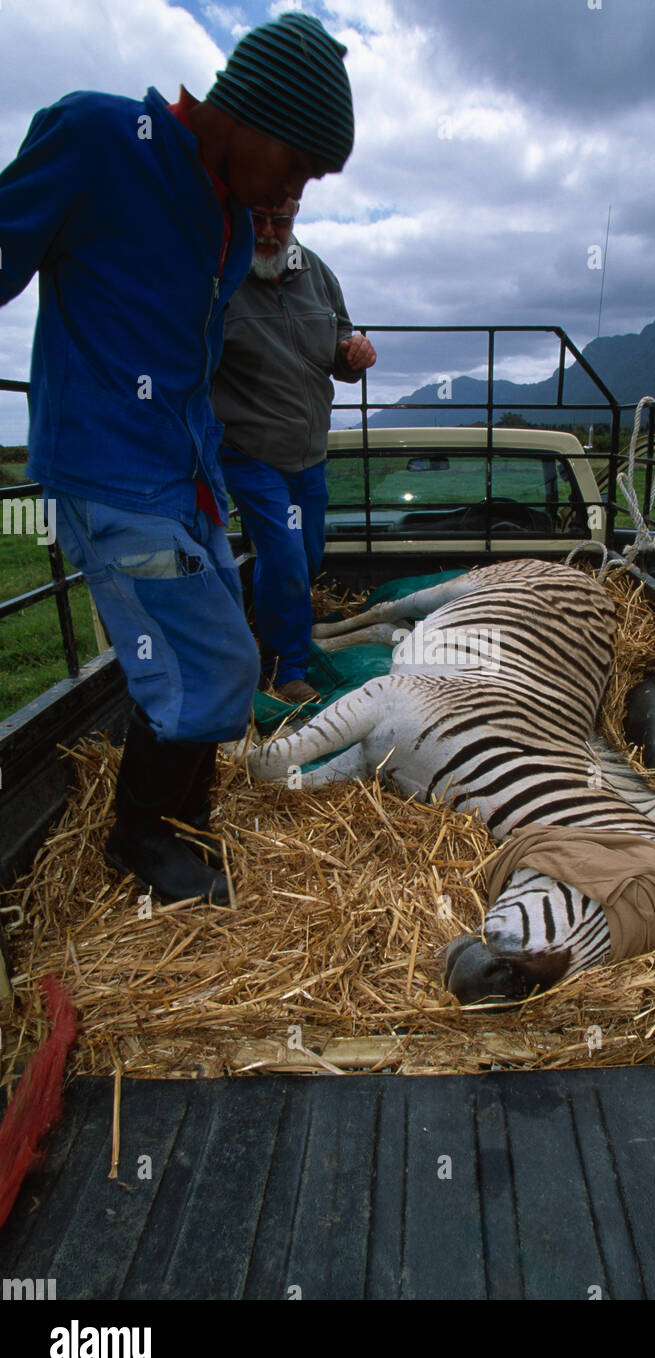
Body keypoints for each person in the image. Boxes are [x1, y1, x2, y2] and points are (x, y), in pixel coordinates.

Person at [0, 13, 355, 905]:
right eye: (301, 164)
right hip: (109, 469)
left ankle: (181, 822)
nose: (294, 192)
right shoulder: (98, 136)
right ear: (252, 115)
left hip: (184, 471)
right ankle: (139, 840)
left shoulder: (230, 219)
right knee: (222, 665)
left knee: (203, 656)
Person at [212, 200, 376, 704]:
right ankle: (286, 671)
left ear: (295, 218)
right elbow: (185, 355)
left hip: (310, 451)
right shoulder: (216, 277)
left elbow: (341, 342)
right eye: (255, 217)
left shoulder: (318, 274)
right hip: (250, 450)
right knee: (284, 553)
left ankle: (281, 632)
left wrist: (356, 353)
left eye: (279, 220)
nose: (267, 231)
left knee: (305, 554)